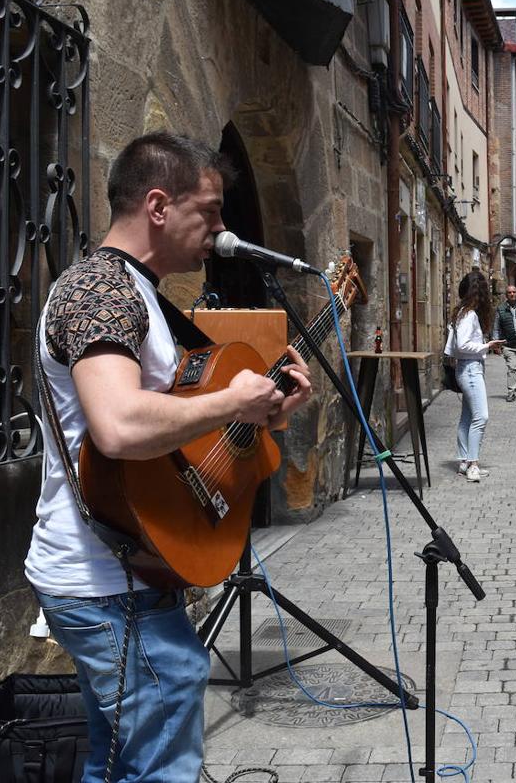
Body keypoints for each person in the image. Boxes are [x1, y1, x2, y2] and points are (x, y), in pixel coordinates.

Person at [25, 133, 314, 782]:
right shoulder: (100, 290)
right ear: (158, 205)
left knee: (114, 760)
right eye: (209, 211)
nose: (220, 229)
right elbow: (121, 426)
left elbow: (171, 427)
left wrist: (262, 411)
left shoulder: (139, 293)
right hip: (105, 582)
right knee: (161, 762)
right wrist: (230, 403)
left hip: (123, 572)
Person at [447, 270, 507, 481]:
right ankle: (473, 463)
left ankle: (464, 460)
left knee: (467, 417)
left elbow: (453, 347)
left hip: (465, 368)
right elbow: (462, 344)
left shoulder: (461, 312)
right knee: (481, 416)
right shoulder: (469, 315)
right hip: (471, 369)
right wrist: (486, 346)